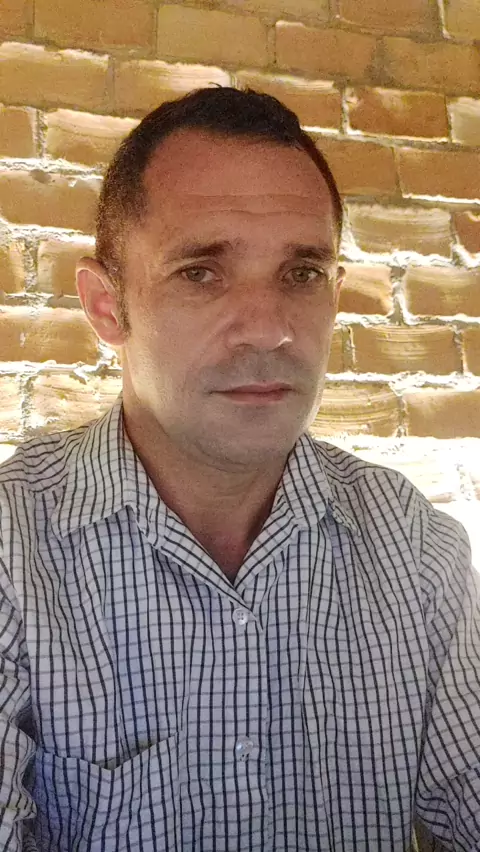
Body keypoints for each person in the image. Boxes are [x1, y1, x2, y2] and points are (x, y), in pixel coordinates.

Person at [0, 87, 478, 852]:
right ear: (106, 306)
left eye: (302, 273)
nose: (268, 329)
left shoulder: (416, 549)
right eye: (201, 272)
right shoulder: (14, 549)